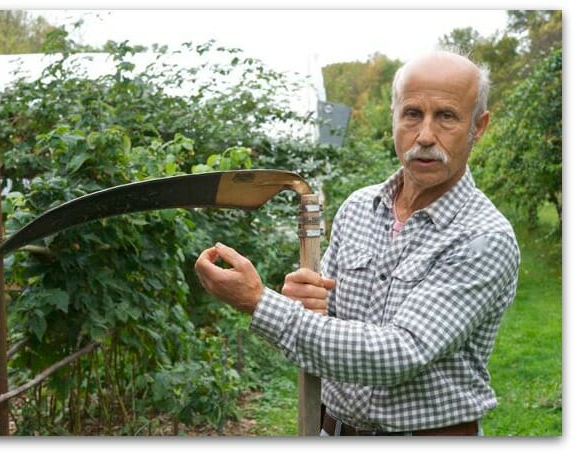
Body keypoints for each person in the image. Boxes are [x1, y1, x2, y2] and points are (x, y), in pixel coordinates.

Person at [194, 50, 520, 436]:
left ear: (478, 127)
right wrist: (303, 300)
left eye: (446, 116)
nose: (426, 135)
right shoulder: (359, 208)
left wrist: (260, 303)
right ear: (394, 117)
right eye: (412, 114)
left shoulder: (483, 237)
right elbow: (322, 319)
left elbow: (400, 353)